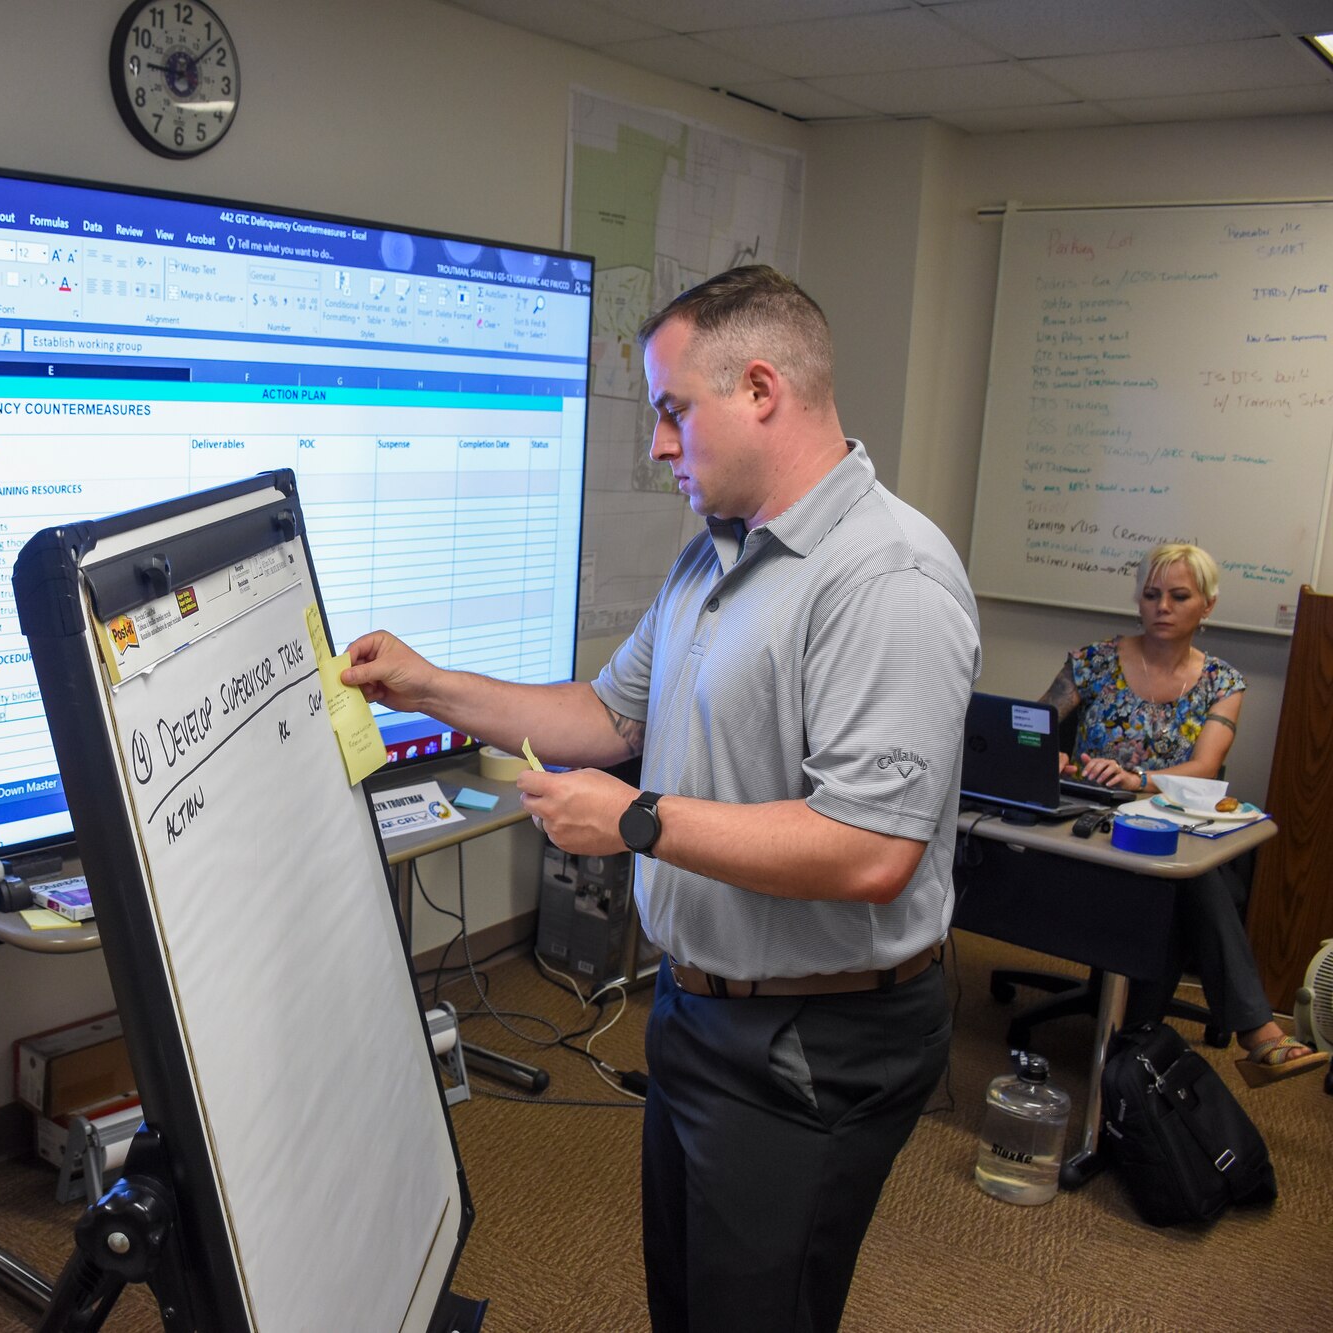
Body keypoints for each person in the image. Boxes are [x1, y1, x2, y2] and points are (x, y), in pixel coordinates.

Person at [344, 266, 979, 1332]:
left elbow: (871, 850)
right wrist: (427, 684)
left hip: (814, 1040)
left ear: (761, 390)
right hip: (697, 1008)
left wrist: (638, 821)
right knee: (686, 1304)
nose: (656, 446)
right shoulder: (713, 557)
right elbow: (604, 715)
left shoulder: (887, 578)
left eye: (672, 411)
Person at [1040, 542, 1329, 1087]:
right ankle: (1251, 1030)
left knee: (1187, 877)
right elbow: (1030, 732)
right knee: (1193, 882)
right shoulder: (1092, 662)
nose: (1162, 607)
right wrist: (1050, 754)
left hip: (1172, 821)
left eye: (1178, 596)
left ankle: (1136, 1039)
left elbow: (1206, 765)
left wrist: (1139, 781)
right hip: (1093, 823)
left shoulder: (1223, 681)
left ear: (1207, 605)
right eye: (1151, 595)